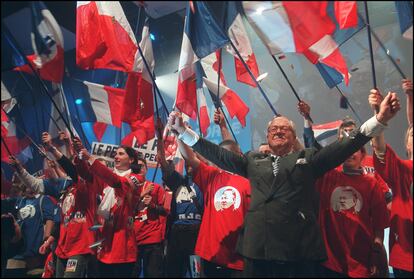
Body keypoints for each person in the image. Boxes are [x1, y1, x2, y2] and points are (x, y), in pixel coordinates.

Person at [167, 92, 400, 277]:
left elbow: (344, 146)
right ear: (267, 136)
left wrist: (379, 120)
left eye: (284, 128)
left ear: (293, 136)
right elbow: (219, 155)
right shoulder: (252, 160)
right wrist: (183, 132)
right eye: (273, 129)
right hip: (257, 253)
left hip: (298, 253)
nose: (278, 131)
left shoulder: (308, 158)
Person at [74, 139, 145, 278]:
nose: (116, 156)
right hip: (106, 244)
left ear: (131, 160)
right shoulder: (107, 178)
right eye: (115, 154)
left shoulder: (137, 178)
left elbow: (116, 182)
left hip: (123, 246)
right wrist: (79, 156)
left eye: (121, 154)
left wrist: (90, 157)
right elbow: (87, 175)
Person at [316, 145, 389, 278]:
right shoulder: (327, 177)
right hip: (330, 263)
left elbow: (379, 226)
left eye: (354, 150)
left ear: (362, 155)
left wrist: (376, 255)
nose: (349, 154)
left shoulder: (372, 184)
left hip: (360, 263)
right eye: (345, 150)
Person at [369, 88, 413, 278]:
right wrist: (380, 117)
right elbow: (379, 148)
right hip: (407, 259)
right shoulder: (403, 170)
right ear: (407, 144)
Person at [156, 120, 204, 278]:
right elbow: (163, 164)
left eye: (194, 159)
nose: (190, 162)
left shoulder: (206, 183)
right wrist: (159, 138)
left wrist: (186, 135)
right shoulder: (179, 181)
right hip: (177, 232)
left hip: (197, 233)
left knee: (197, 273)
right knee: (173, 273)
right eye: (188, 160)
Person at [132, 156, 168, 278]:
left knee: (153, 274)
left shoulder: (156, 187)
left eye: (142, 166)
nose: (139, 168)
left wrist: (152, 205)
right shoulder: (128, 187)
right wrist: (141, 195)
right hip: (132, 239)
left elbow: (166, 211)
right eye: (136, 166)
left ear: (146, 169)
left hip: (152, 239)